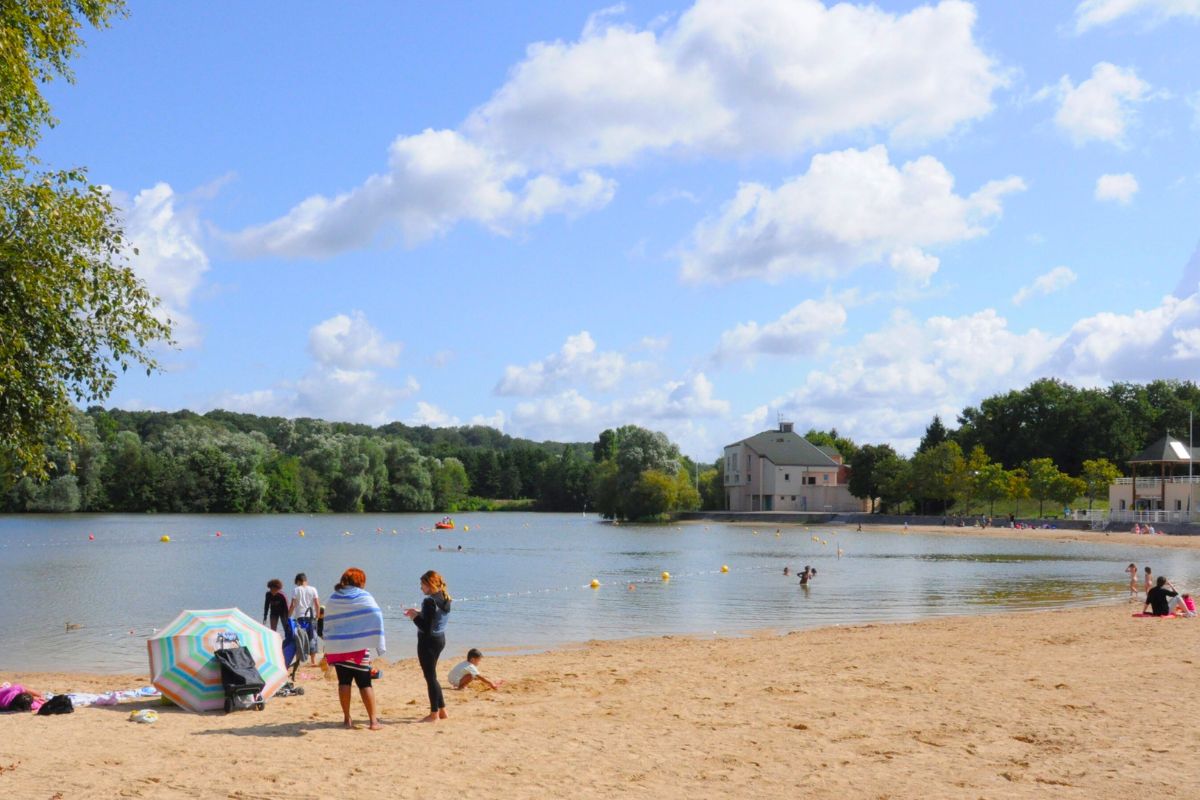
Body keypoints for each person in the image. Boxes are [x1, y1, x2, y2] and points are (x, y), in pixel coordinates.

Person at [324, 568, 385, 730]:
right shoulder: (363, 596)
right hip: (359, 648)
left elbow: (328, 620)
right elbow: (376, 613)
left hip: (338, 648)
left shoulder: (334, 597)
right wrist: (370, 634)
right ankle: (373, 721)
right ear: (360, 581)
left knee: (344, 682)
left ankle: (347, 719)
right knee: (365, 683)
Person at [404, 569, 452, 723]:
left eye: (422, 585)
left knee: (430, 678)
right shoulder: (444, 597)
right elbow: (435, 617)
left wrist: (414, 616)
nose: (420, 588)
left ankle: (434, 714)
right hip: (439, 639)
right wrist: (419, 612)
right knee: (432, 676)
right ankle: (442, 710)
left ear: (429, 585)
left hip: (428, 642)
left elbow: (426, 627)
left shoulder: (430, 601)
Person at [290, 573, 320, 666]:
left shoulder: (296, 590)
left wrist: (288, 616)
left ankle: (298, 660)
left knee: (300, 638)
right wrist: (317, 616)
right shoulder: (313, 589)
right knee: (312, 638)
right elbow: (317, 604)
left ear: (298, 581)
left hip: (300, 617)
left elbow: (293, 605)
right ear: (306, 580)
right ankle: (313, 661)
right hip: (311, 617)